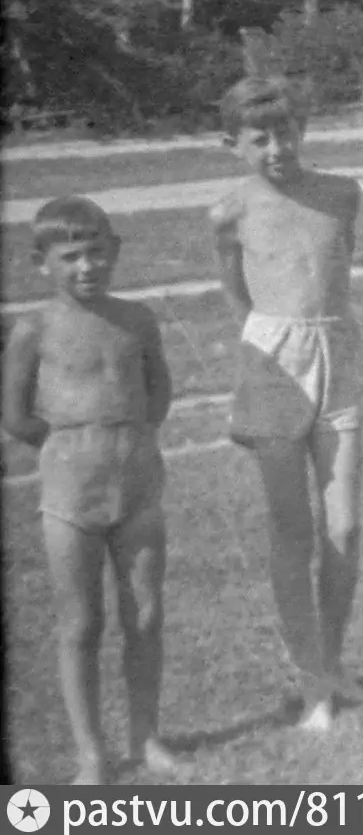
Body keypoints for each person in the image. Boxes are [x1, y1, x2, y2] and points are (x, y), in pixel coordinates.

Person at [209, 74, 363, 731]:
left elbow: (337, 269)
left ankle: (331, 663)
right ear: (232, 144)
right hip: (273, 361)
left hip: (339, 354)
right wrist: (271, 338)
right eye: (259, 137)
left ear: (303, 128)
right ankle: (312, 686)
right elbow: (236, 292)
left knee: (345, 527)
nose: (277, 146)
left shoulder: (342, 193)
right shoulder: (231, 208)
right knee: (291, 529)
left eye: (287, 130)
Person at [3, 197, 180, 784]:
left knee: (147, 614)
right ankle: (90, 753)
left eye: (97, 253)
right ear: (40, 262)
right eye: (71, 256)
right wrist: (71, 447)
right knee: (80, 623)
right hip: (70, 494)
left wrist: (127, 436)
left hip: (137, 484)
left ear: (116, 252)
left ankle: (146, 737)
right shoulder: (33, 328)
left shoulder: (138, 318)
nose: (87, 267)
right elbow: (16, 417)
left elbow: (159, 391)